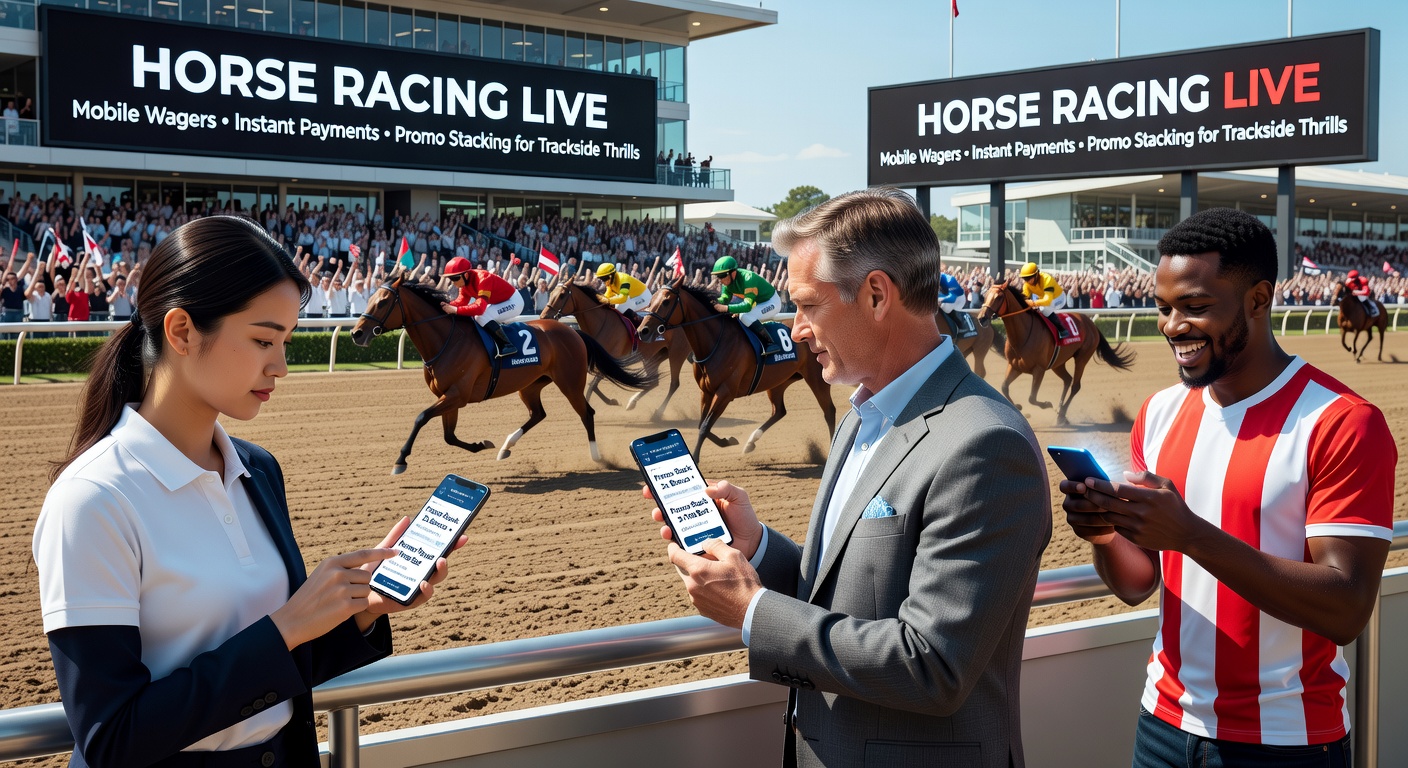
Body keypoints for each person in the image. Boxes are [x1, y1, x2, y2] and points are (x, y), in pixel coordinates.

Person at [32, 216, 465, 768]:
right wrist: (285, 627)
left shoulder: (257, 469)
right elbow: (111, 737)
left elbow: (275, 673)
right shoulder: (92, 500)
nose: (281, 366)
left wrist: (360, 610)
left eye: (285, 341)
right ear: (182, 331)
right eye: (263, 340)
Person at [650, 188, 1050, 767]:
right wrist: (756, 548)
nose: (796, 330)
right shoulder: (861, 415)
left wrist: (754, 612)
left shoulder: (986, 444)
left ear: (877, 294)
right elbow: (845, 594)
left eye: (809, 306)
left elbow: (933, 666)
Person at [1059, 208, 1394, 767]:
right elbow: (1139, 582)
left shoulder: (1342, 422)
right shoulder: (1160, 413)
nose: (1171, 326)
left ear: (1259, 300)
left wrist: (1189, 535)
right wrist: (1102, 535)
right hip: (1161, 727)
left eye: (1194, 308)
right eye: (1164, 308)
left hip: (1287, 743)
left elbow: (1346, 609)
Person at [439, 255, 523, 358]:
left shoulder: (483, 278)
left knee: (481, 316)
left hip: (514, 301)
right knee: (479, 316)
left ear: (465, 275)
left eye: (455, 278)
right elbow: (461, 301)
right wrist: (444, 305)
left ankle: (507, 345)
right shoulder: (464, 284)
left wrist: (456, 310)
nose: (453, 283)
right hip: (499, 302)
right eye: (451, 279)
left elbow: (479, 308)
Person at [710, 255, 782, 355]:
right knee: (739, 316)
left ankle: (770, 343)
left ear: (733, 273)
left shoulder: (749, 278)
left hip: (772, 302)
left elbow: (747, 306)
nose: (720, 280)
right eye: (718, 276)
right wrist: (713, 301)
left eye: (722, 276)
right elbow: (725, 299)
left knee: (745, 316)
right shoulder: (727, 283)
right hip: (759, 303)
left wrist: (726, 308)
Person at [1018, 261, 1068, 339]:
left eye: (1029, 278)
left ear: (1036, 274)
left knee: (1044, 309)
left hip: (1059, 298)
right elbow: (1024, 299)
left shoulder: (1047, 279)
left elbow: (1047, 300)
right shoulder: (1026, 285)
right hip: (1044, 299)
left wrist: (1033, 303)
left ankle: (1062, 330)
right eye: (1025, 278)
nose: (1027, 281)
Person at [936, 269, 972, 335]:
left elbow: (952, 299)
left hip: (958, 298)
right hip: (945, 295)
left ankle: (961, 326)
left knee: (945, 308)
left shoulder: (950, 280)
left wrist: (939, 300)